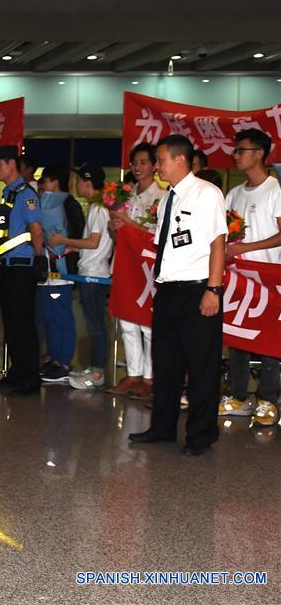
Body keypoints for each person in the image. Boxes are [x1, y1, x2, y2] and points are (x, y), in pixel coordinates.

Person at [129, 134, 226, 457]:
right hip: (169, 290)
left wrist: (213, 289)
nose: (158, 166)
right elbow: (166, 245)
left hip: (198, 289)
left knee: (201, 366)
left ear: (179, 160)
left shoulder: (206, 193)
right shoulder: (169, 198)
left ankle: (200, 434)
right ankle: (162, 427)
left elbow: (217, 243)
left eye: (161, 160)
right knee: (166, 364)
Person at [220, 128, 281, 427]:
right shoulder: (234, 193)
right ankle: (239, 397)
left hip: (269, 281)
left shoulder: (275, 190)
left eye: (241, 150)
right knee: (238, 338)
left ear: (259, 153)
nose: (235, 155)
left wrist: (247, 247)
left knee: (270, 341)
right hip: (239, 280)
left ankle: (268, 400)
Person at [107, 143, 167, 399]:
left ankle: (150, 378)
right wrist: (114, 227)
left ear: (154, 165)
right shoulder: (126, 195)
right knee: (127, 321)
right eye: (134, 163)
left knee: (148, 324)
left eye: (143, 162)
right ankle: (133, 373)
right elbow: (117, 235)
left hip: (149, 268)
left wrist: (130, 225)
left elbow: (160, 235)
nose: (137, 167)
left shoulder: (162, 197)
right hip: (125, 266)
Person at [50, 164, 114, 389]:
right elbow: (94, 244)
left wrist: (64, 241)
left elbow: (93, 242)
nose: (76, 185)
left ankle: (97, 374)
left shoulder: (98, 209)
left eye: (78, 181)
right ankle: (94, 368)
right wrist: (74, 249)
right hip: (91, 272)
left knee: (96, 326)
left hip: (94, 276)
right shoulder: (97, 207)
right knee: (94, 324)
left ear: (87, 182)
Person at [0, 145, 44, 395]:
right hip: (7, 268)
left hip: (22, 268)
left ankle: (31, 379)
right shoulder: (8, 193)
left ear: (11, 164)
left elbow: (36, 229)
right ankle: (16, 373)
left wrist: (40, 258)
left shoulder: (25, 194)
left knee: (23, 324)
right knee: (11, 323)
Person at [36, 165, 80, 384]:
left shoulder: (69, 204)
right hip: (47, 270)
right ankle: (54, 358)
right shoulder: (49, 204)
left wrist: (62, 244)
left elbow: (79, 236)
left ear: (55, 182)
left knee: (61, 316)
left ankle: (64, 362)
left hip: (61, 273)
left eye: (45, 181)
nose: (43, 186)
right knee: (50, 317)